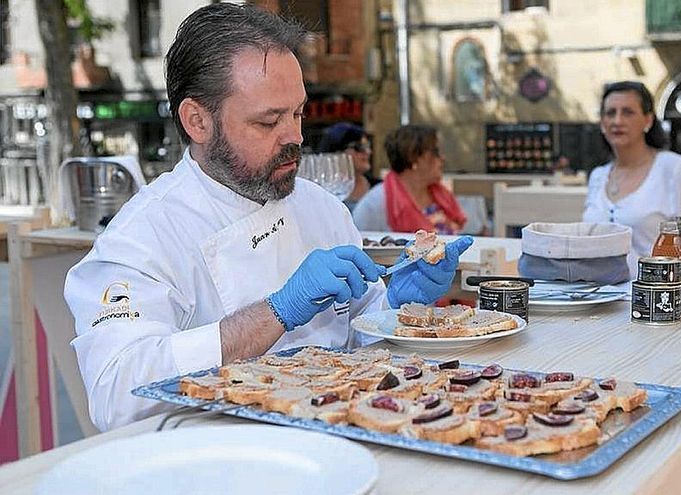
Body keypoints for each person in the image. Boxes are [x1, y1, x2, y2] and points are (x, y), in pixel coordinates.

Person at [63, 4, 473, 431]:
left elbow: (362, 341)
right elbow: (115, 396)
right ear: (197, 121)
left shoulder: (321, 208)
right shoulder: (141, 237)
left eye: (298, 113)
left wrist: (397, 304)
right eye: (268, 121)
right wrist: (277, 311)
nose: (294, 137)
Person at [581, 81, 681, 286]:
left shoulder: (676, 170)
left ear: (648, 119)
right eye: (610, 113)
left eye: (627, 112)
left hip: (662, 305)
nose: (617, 120)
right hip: (597, 303)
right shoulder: (598, 177)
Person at [352, 125, 467, 235]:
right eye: (435, 152)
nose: (442, 158)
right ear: (413, 158)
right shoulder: (375, 203)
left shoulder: (442, 196)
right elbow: (355, 244)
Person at [316, 122, 378, 208]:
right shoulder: (321, 192)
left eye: (368, 146)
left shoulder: (378, 188)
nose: (368, 152)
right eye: (359, 147)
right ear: (336, 153)